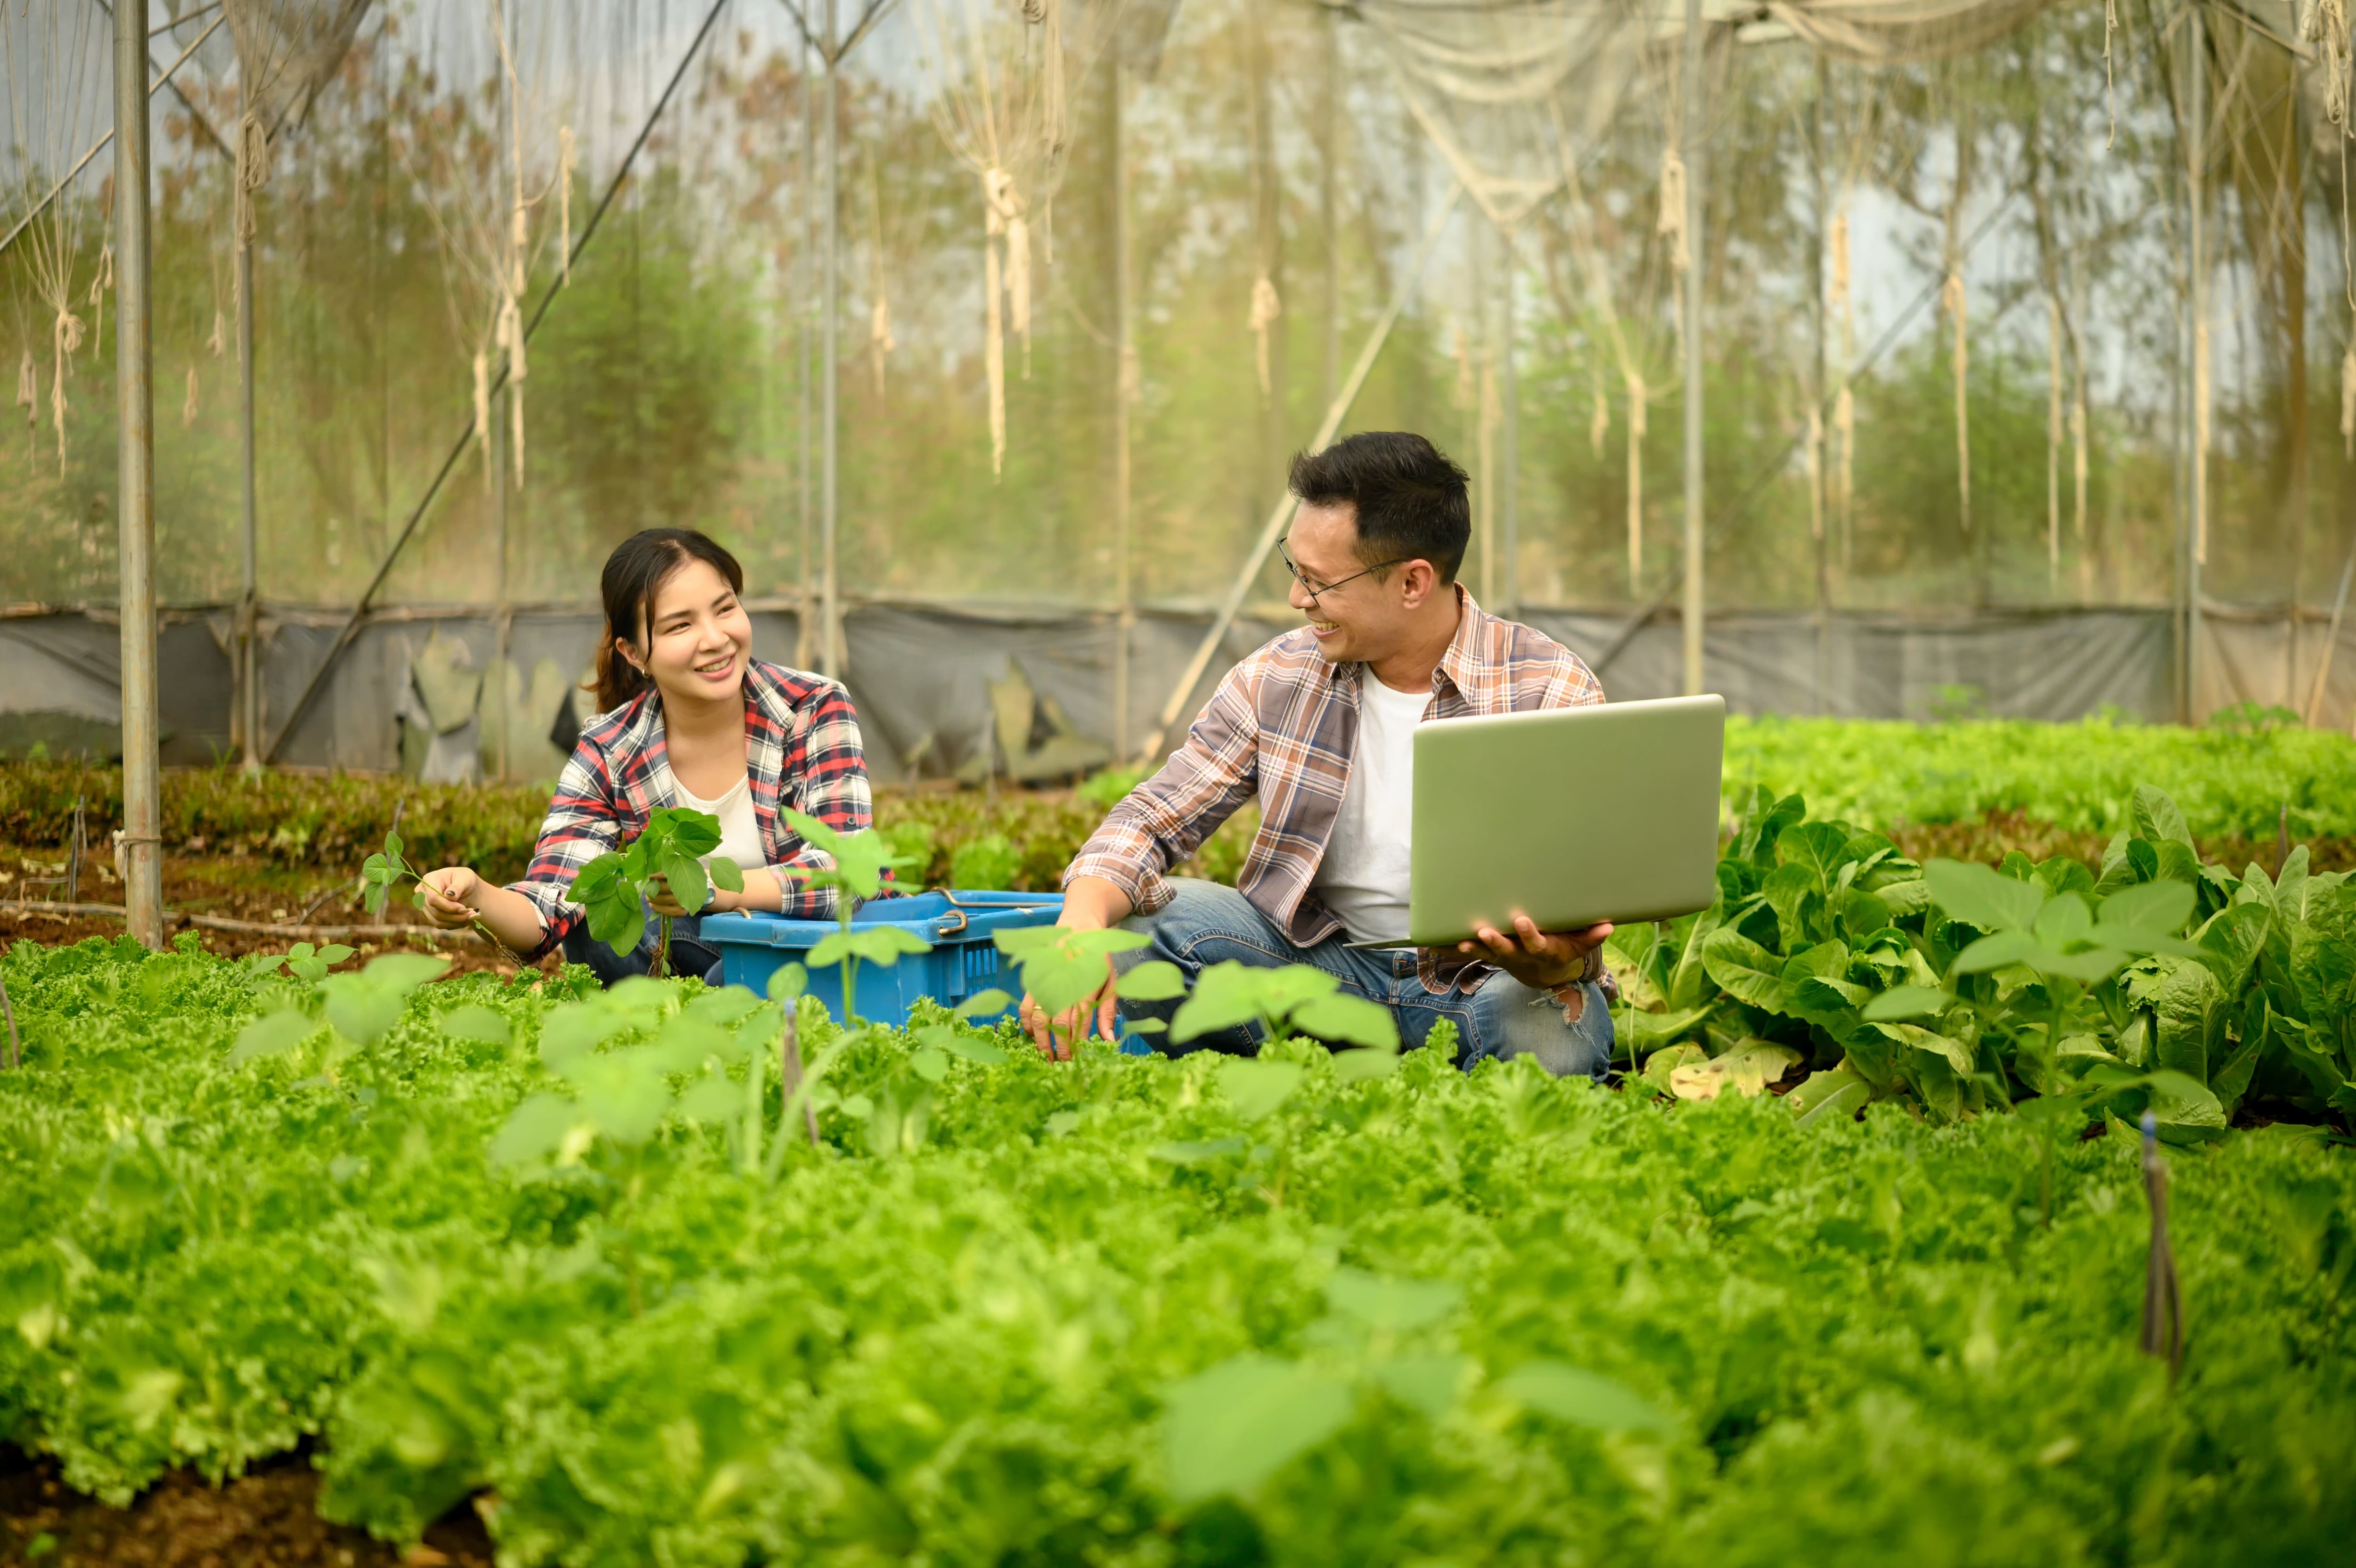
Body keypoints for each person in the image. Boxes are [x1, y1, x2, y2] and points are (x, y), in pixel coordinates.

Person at [1021, 431, 1616, 1077]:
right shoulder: (1279, 675)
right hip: (1316, 969)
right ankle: (1266, 1091)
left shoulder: (1548, 686)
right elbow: (1150, 819)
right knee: (1143, 934)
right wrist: (1079, 925)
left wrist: (1548, 961)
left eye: (1319, 582)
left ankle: (1376, 1092)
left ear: (1414, 581)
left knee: (1551, 1031)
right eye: (1294, 571)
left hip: (1480, 985)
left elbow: (1581, 911)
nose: (1297, 601)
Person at [417, 528, 875, 983]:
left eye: (725, 608)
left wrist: (711, 890)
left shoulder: (811, 707)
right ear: (634, 653)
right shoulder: (611, 745)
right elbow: (553, 901)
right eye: (681, 625)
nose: (715, 638)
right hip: (696, 948)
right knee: (599, 915)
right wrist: (477, 893)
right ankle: (700, 1011)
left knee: (729, 974)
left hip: (806, 945)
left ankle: (708, 1010)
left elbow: (848, 875)